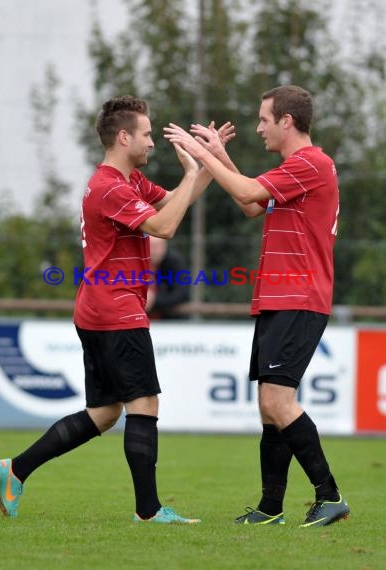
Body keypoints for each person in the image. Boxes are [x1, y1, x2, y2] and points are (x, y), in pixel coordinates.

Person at [0, 95, 234, 523]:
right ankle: (149, 511)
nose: (152, 141)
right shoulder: (110, 187)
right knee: (145, 404)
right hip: (116, 309)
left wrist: (209, 161)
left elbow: (174, 201)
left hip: (98, 309)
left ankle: (16, 469)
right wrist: (194, 168)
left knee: (104, 413)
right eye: (145, 132)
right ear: (123, 137)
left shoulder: (129, 182)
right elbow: (166, 226)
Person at [164, 85, 349, 528]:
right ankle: (270, 508)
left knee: (277, 401)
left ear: (287, 120)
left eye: (264, 118)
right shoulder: (295, 168)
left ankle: (330, 496)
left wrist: (202, 155)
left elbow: (247, 189)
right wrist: (218, 156)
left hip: (298, 298)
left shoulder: (310, 163)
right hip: (279, 299)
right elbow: (250, 202)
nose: (258, 126)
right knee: (270, 406)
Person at [146, 235, 189, 319]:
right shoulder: (135, 262)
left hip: (169, 319)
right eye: (152, 246)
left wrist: (154, 300)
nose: (155, 251)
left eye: (159, 246)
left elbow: (182, 293)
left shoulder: (174, 262)